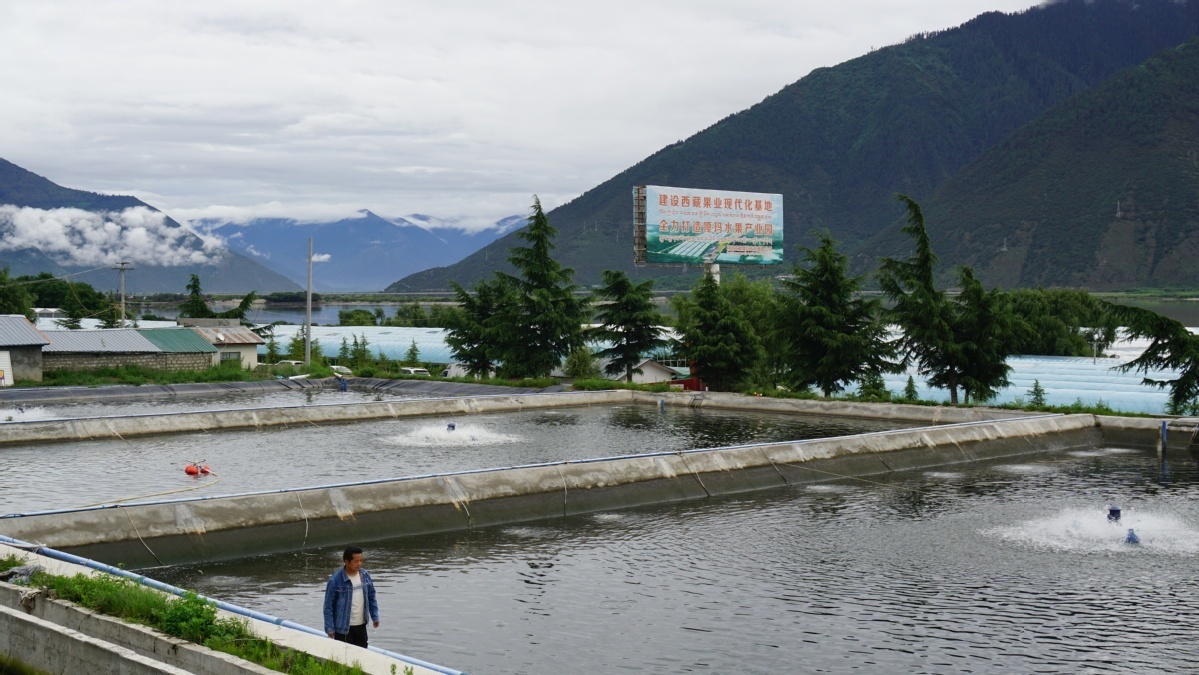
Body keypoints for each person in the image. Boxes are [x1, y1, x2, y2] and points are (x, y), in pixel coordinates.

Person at [323, 545, 380, 648]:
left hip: (361, 625)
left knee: (362, 653)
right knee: (345, 654)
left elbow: (371, 596)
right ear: (346, 561)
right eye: (356, 561)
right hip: (342, 628)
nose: (359, 564)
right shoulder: (335, 580)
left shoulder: (365, 576)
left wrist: (375, 616)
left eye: (361, 561)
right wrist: (329, 628)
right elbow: (328, 606)